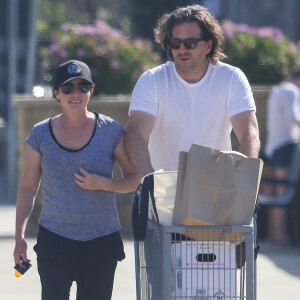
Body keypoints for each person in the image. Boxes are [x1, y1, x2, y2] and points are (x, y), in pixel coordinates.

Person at [13, 60, 140, 300]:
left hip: (101, 242)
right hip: (55, 240)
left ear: (91, 91)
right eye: (68, 87)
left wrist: (104, 184)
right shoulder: (40, 134)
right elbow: (28, 188)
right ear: (57, 93)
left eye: (83, 87)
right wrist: (19, 237)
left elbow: (134, 179)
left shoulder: (110, 130)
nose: (76, 93)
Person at [125, 4, 260, 178]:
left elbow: (249, 135)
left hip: (215, 190)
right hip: (164, 194)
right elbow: (135, 137)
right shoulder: (152, 80)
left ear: (208, 45)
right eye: (176, 43)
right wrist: (151, 182)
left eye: (190, 43)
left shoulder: (231, 78)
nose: (182, 49)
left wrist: (245, 184)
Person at [264, 69, 300, 243]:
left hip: (273, 147)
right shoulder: (291, 90)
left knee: (274, 193)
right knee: (282, 194)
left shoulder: (278, 89)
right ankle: (280, 236)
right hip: (285, 147)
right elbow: (294, 118)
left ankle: (274, 234)